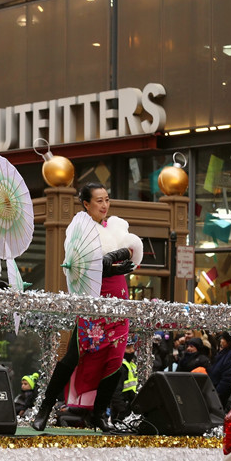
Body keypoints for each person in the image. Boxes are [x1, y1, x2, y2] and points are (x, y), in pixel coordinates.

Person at [32, 182, 143, 432]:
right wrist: (107, 264)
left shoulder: (117, 226)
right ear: (86, 204)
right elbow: (81, 265)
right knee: (73, 356)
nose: (104, 205)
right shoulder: (79, 231)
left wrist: (116, 256)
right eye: (99, 200)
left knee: (115, 361)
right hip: (92, 298)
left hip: (119, 300)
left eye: (107, 199)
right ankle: (45, 408)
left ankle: (99, 415)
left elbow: (133, 249)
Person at [109, 338, 138, 423]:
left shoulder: (131, 365)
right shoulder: (120, 367)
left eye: (132, 347)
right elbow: (115, 392)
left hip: (130, 407)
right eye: (128, 348)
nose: (132, 350)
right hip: (121, 412)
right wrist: (123, 410)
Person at [208, 332, 231, 411]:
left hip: (221, 394)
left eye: (223, 338)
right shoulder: (225, 352)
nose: (221, 340)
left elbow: (228, 377)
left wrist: (216, 393)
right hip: (215, 389)